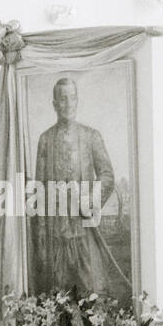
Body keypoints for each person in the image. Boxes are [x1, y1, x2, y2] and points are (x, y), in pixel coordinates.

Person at [32, 76, 117, 295]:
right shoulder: (45, 140)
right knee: (58, 298)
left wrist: (90, 201)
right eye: (62, 99)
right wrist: (41, 237)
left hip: (85, 232)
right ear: (54, 104)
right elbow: (39, 191)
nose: (68, 104)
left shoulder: (91, 137)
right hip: (56, 235)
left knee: (92, 293)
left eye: (72, 98)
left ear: (77, 101)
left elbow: (107, 175)